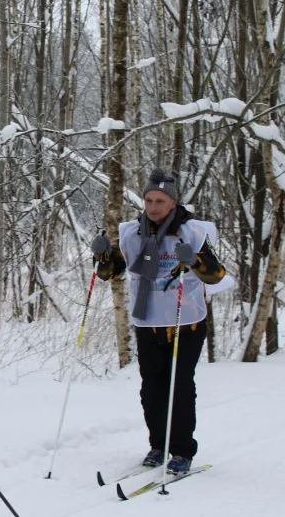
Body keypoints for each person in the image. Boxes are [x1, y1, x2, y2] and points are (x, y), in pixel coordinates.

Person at [90, 168, 226, 474]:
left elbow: (216, 275)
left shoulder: (193, 232)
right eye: (149, 200)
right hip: (147, 323)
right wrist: (102, 256)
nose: (153, 207)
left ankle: (181, 450)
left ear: (173, 203)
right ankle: (158, 445)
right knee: (151, 389)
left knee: (178, 387)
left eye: (160, 201)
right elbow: (111, 273)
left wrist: (194, 259)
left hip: (185, 323)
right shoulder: (131, 233)